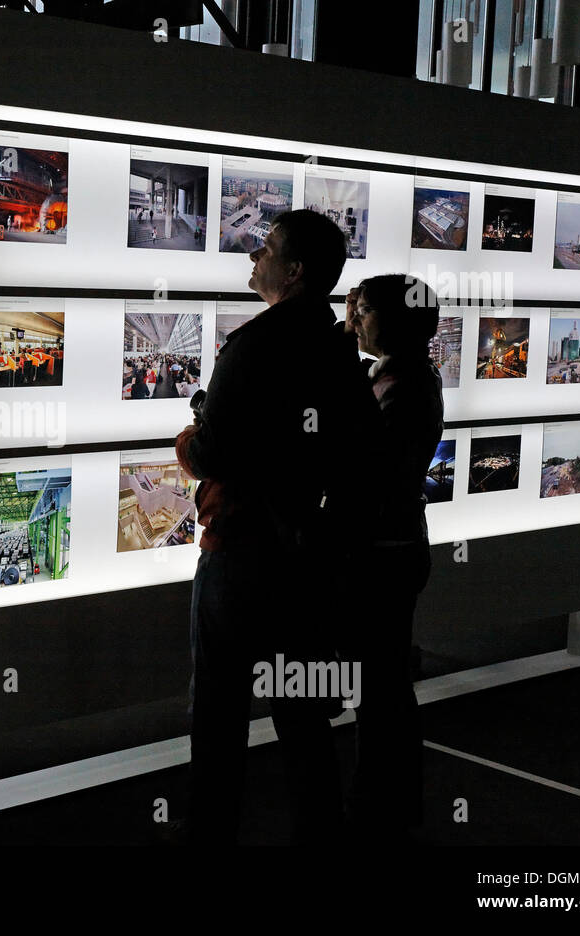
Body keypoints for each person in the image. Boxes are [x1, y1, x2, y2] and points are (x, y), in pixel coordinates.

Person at [175, 208, 383, 844]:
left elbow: (213, 452)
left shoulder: (255, 345)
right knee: (302, 718)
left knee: (219, 713)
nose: (252, 257)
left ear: (292, 272)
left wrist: (188, 441)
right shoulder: (335, 349)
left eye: (264, 248)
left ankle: (211, 836)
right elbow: (357, 452)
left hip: (239, 557)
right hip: (303, 560)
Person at [340, 273, 443, 840]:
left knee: (379, 691)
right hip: (393, 550)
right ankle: (386, 803)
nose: (354, 316)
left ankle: (381, 809)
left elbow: (368, 469)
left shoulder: (401, 387)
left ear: (397, 321)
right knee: (382, 686)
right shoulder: (399, 376)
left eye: (365, 309)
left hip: (382, 556)